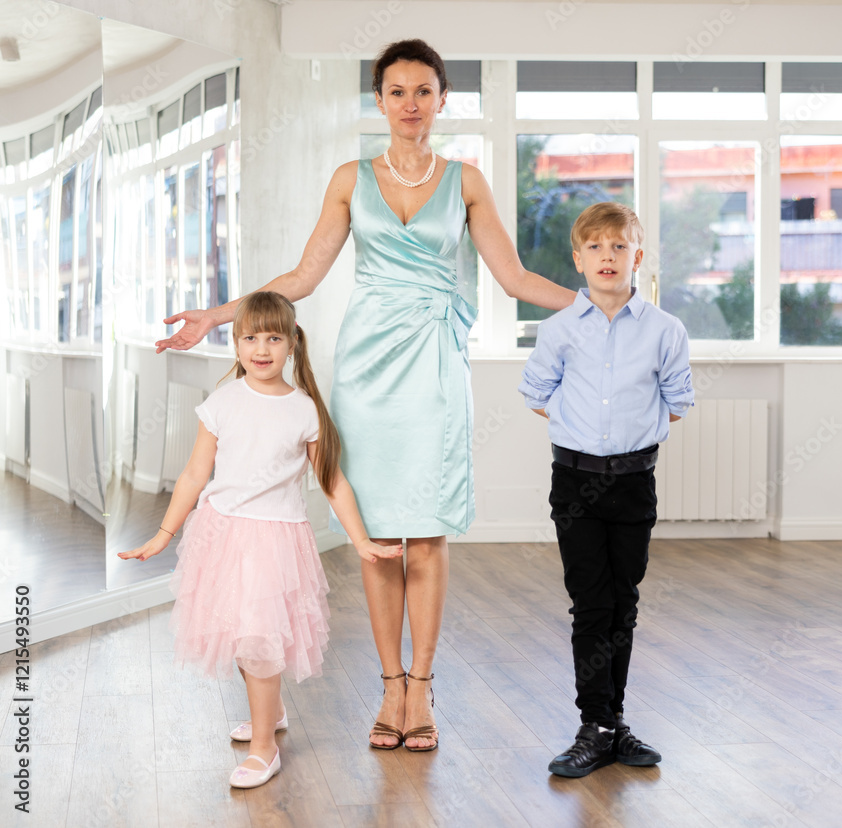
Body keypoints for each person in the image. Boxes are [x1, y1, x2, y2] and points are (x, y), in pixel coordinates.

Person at [152, 39, 576, 750]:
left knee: (427, 535)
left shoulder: (467, 181)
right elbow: (303, 275)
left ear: (442, 99)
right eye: (397, 92)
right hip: (366, 374)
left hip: (434, 371)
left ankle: (422, 688)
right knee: (377, 538)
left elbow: (515, 279)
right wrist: (218, 316)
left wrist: (600, 306)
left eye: (423, 91)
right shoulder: (350, 179)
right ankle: (389, 686)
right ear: (379, 101)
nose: (410, 104)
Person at [120, 292, 401, 788]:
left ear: (292, 343)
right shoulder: (222, 402)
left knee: (259, 638)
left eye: (273, 337)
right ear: (236, 344)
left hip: (275, 541)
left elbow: (333, 481)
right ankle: (268, 713)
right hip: (222, 534)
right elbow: (194, 474)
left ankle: (264, 748)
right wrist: (164, 533)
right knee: (238, 633)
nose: (262, 348)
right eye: (250, 337)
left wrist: (361, 541)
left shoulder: (304, 410)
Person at [518, 202, 694, 778]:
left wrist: (628, 439)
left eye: (619, 246)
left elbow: (676, 403)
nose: (608, 256)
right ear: (578, 259)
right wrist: (583, 433)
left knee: (624, 604)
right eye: (595, 247)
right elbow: (538, 394)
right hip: (575, 484)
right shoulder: (559, 329)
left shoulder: (666, 331)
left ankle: (612, 725)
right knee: (592, 604)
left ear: (637, 257)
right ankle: (594, 723)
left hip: (634, 483)